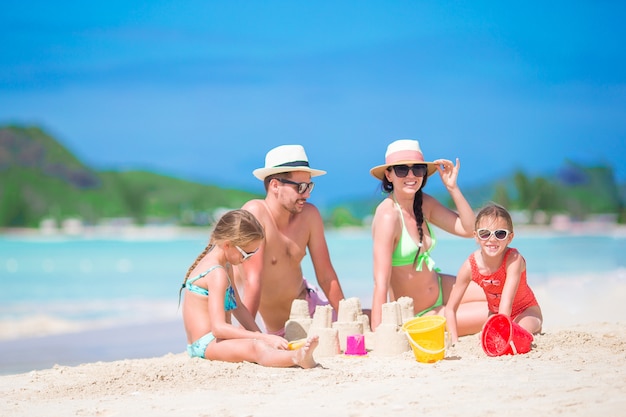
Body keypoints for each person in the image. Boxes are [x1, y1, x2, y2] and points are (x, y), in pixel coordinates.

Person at [369, 139, 488, 332]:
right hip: (420, 313)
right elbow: (380, 281)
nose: (411, 175)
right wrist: (379, 331)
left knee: (499, 293)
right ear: (389, 175)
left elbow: (468, 230)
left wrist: (452, 188)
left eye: (417, 169)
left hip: (441, 286)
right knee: (493, 310)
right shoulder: (388, 215)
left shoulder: (424, 203)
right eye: (401, 170)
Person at [179, 209, 319, 368]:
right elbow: (218, 328)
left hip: (215, 341)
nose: (247, 259)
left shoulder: (225, 265)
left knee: (258, 341)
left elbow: (237, 305)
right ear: (227, 244)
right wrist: (263, 339)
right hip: (205, 345)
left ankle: (288, 354)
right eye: (246, 254)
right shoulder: (217, 273)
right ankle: (297, 357)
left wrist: (260, 335)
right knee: (256, 347)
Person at [236, 144, 346, 336]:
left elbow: (326, 276)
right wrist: (247, 335)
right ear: (275, 185)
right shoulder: (255, 214)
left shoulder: (310, 215)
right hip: (282, 328)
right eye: (301, 187)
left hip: (312, 307)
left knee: (367, 319)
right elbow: (252, 281)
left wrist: (347, 320)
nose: (307, 194)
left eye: (309, 186)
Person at [445, 203, 543, 343]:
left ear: (509, 237)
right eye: (484, 233)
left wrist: (502, 330)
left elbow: (506, 302)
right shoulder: (470, 266)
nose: (492, 239)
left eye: (500, 233)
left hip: (526, 312)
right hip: (496, 314)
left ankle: (529, 328)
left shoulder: (513, 259)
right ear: (476, 237)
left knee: (516, 333)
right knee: (483, 337)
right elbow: (450, 309)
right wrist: (454, 341)